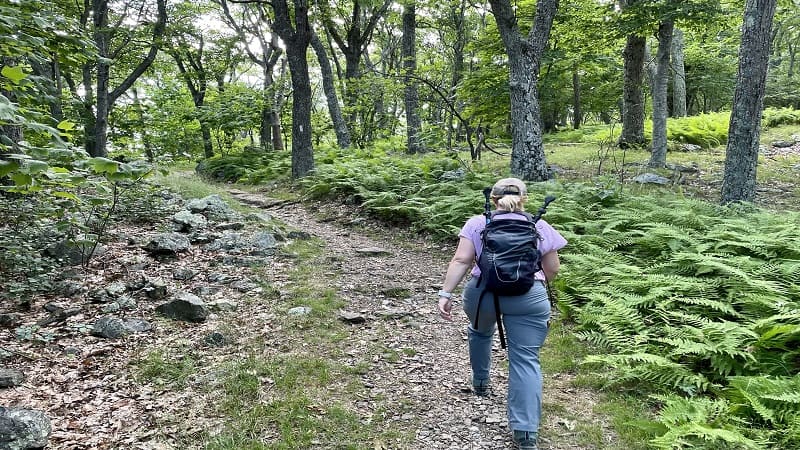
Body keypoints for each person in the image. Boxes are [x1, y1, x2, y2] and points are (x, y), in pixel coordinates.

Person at [437, 177, 567, 450]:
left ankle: (481, 382)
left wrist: (446, 294)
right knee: (525, 359)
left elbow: (462, 260)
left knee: (480, 332)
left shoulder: (477, 223)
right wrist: (532, 283)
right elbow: (552, 269)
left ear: (493, 200)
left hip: (483, 293)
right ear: (525, 199)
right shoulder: (539, 225)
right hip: (528, 296)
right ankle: (525, 432)